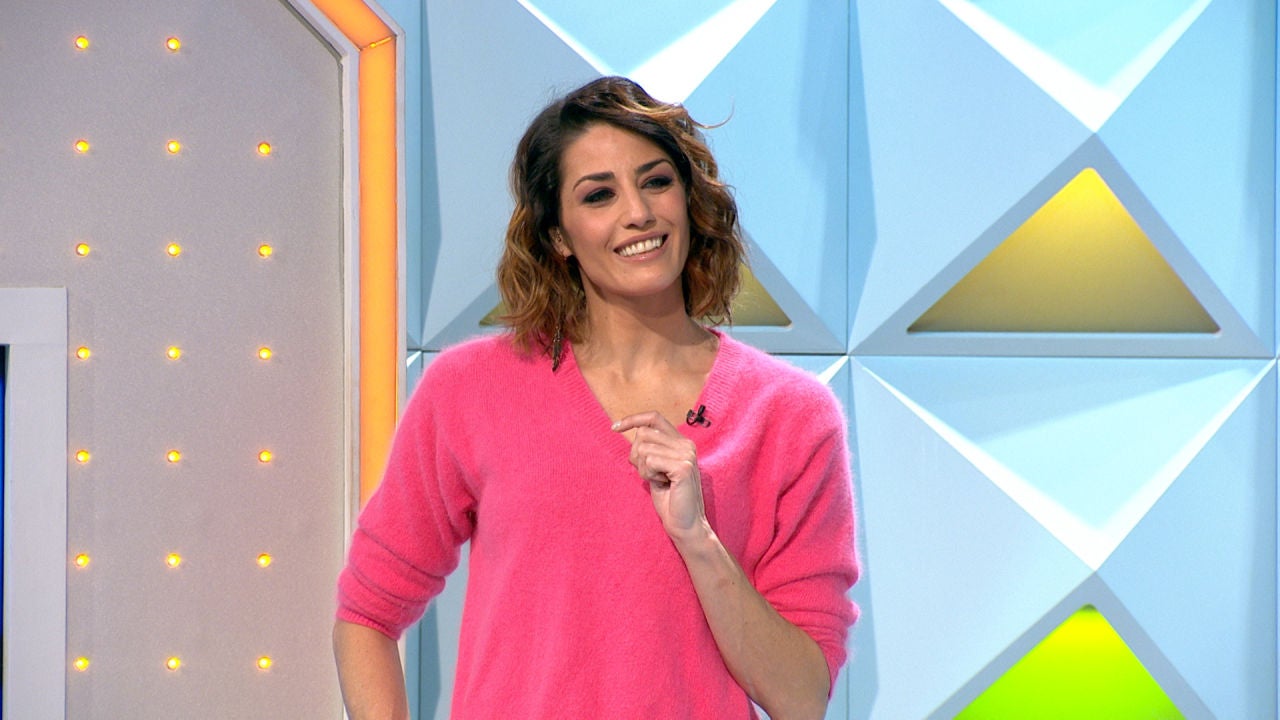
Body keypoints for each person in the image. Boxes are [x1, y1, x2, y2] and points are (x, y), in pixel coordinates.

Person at [333, 76, 859, 720]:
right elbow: (366, 614)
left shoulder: (790, 415)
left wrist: (698, 539)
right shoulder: (468, 389)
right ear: (558, 235)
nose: (638, 212)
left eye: (656, 181)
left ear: (690, 201)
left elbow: (802, 697)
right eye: (599, 194)